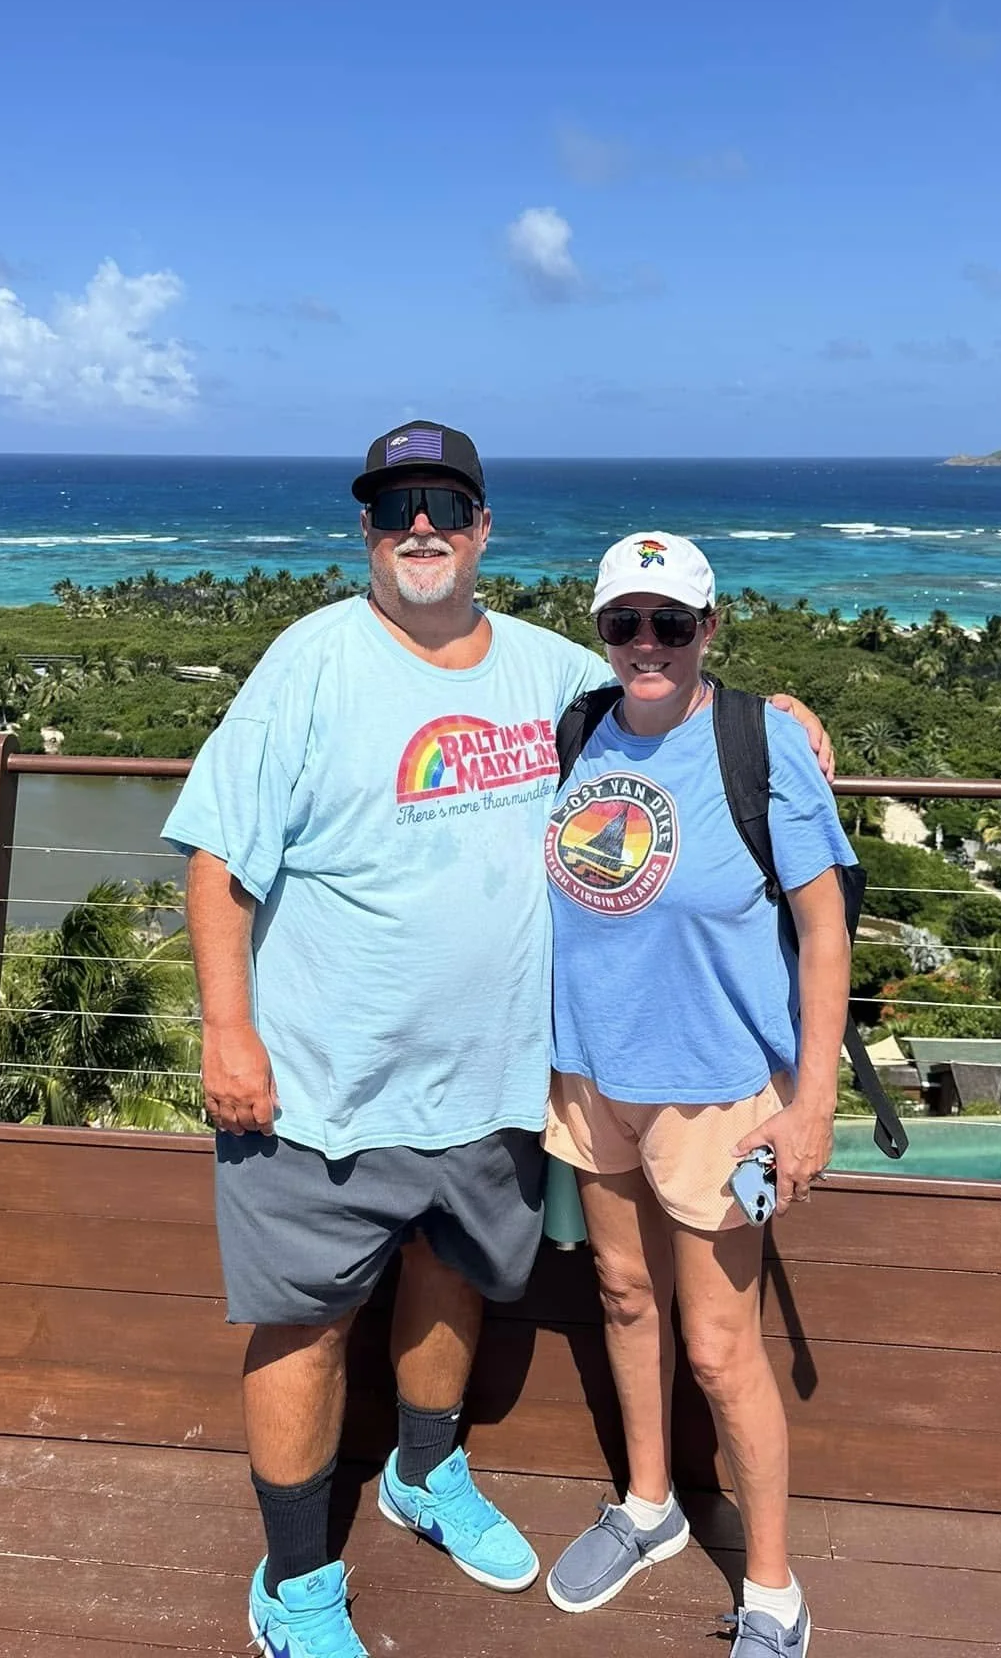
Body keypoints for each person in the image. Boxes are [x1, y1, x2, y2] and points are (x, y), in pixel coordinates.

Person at [162, 426, 833, 1658]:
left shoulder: (549, 672)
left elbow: (668, 688)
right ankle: (296, 1581)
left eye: (446, 504)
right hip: (325, 1082)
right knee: (304, 1324)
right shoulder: (310, 661)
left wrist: (782, 713)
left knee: (451, 1272)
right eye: (395, 506)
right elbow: (217, 862)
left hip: (496, 1080)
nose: (421, 525)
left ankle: (424, 1472)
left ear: (481, 526)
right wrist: (228, 1029)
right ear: (367, 529)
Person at [542, 531, 854, 1658]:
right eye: (626, 622)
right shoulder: (576, 729)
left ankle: (772, 1587)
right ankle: (648, 1501)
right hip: (589, 1071)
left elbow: (823, 931)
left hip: (720, 1091)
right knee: (625, 1294)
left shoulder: (759, 743)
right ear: (601, 630)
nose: (648, 644)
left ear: (710, 628)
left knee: (724, 1347)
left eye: (672, 623)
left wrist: (811, 1101)